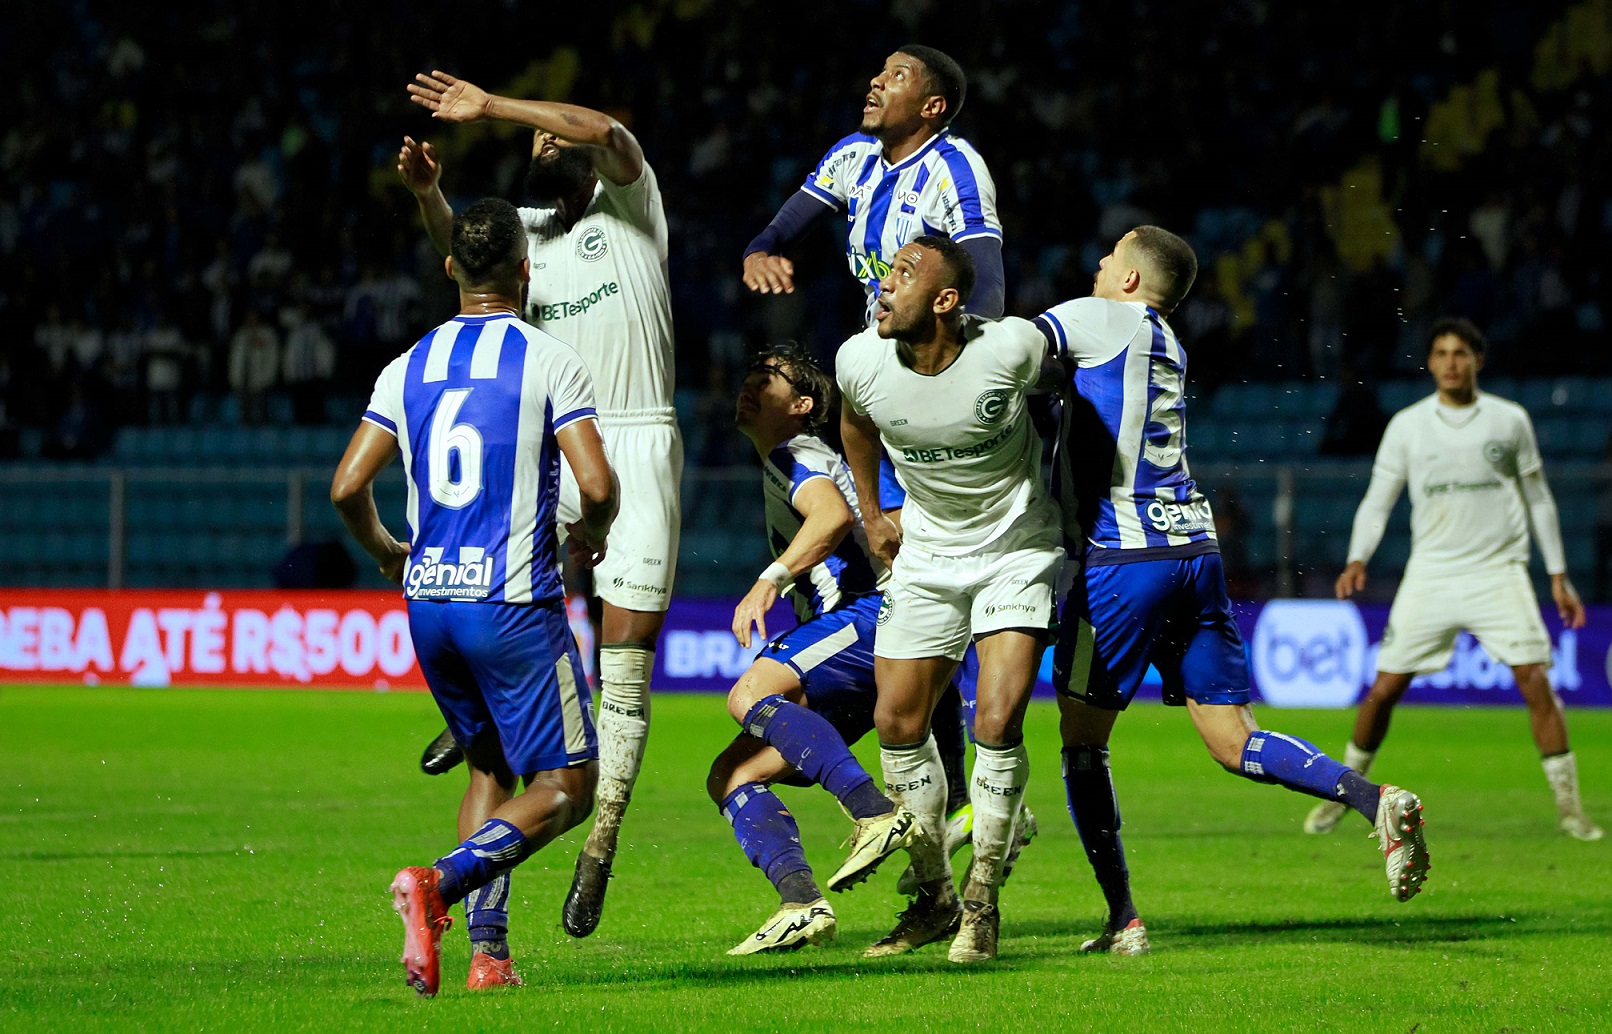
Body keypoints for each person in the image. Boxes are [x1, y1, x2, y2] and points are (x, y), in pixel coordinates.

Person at [1041, 227, 1433, 958]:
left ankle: (1123, 917)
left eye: (1108, 259)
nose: (1094, 266)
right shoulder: (1167, 341)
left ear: (1130, 281)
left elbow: (1002, 350)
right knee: (1233, 738)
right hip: (1195, 544)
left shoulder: (1100, 318)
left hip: (1124, 558)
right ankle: (1372, 799)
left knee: (1080, 741)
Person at [400, 70, 683, 934]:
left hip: (638, 440)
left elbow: (601, 126)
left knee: (624, 667)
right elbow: (464, 251)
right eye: (535, 139)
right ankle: (482, 719)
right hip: (558, 450)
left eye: (555, 134)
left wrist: (495, 109)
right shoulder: (524, 239)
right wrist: (430, 194)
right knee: (504, 615)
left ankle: (598, 850)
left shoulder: (631, 205)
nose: (545, 143)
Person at [330, 198, 618, 996]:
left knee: (488, 767)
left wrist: (390, 551)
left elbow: (347, 485)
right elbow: (597, 483)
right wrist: (589, 533)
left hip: (430, 606)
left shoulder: (407, 364)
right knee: (567, 785)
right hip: (513, 602)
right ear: (526, 271)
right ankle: (438, 885)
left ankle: (487, 958)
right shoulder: (547, 358)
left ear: (452, 269)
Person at [742, 44, 1011, 867]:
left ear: (932, 106)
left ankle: (968, 791)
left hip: (930, 386)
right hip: (873, 382)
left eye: (895, 77)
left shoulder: (957, 168)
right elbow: (788, 220)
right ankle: (943, 806)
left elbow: (987, 282)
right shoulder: (855, 157)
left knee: (926, 583)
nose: (874, 82)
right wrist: (763, 246)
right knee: (897, 574)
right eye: (878, 72)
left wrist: (962, 380)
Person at [835, 236, 1063, 963]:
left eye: (903, 274)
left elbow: (1075, 400)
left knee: (995, 719)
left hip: (1017, 550)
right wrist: (873, 512)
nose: (884, 282)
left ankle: (982, 901)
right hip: (927, 553)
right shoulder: (859, 360)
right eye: (886, 270)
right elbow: (855, 420)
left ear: (945, 300)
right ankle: (933, 895)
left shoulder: (1011, 351)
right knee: (895, 719)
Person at [1307, 317, 1600, 841]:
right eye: (1440, 352)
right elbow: (1378, 499)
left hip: (1499, 573)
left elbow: (1538, 498)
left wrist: (1558, 574)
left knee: (1536, 680)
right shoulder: (1409, 425)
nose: (1450, 362)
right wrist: (1358, 558)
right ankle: (1345, 796)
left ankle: (1571, 807)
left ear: (1478, 360)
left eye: (1460, 353)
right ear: (1429, 362)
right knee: (1383, 690)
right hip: (1432, 575)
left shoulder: (1508, 421)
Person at [707, 344, 914, 955]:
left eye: (769, 380)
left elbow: (826, 519)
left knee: (749, 693)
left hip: (863, 618)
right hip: (858, 641)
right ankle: (802, 902)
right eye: (749, 374)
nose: (751, 385)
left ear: (801, 406)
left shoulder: (796, 453)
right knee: (732, 774)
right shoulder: (790, 456)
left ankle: (875, 810)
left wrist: (766, 581)